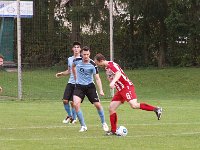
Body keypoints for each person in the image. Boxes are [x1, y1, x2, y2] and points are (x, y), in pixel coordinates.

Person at [94, 53, 163, 136]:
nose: (98, 66)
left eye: (98, 64)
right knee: (111, 108)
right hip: (120, 90)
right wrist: (111, 80)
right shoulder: (107, 67)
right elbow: (111, 76)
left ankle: (156, 109)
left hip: (127, 87)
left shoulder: (111, 65)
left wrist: (113, 82)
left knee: (134, 105)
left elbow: (118, 73)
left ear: (101, 60)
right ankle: (113, 130)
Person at [72, 46, 109, 132]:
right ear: (81, 54)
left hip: (90, 86)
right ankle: (83, 126)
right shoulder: (76, 61)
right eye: (84, 54)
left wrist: (101, 90)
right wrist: (75, 76)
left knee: (98, 105)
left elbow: (97, 78)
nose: (86, 56)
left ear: (89, 54)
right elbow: (73, 67)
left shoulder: (93, 64)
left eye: (87, 54)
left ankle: (104, 123)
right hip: (79, 86)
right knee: (76, 105)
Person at [56, 41, 82, 124]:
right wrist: (61, 74)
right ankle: (70, 115)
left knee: (73, 102)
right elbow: (69, 71)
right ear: (72, 49)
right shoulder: (70, 59)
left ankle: (74, 118)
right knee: (65, 101)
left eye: (78, 47)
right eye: (75, 47)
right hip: (70, 82)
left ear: (80, 49)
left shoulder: (82, 59)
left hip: (78, 83)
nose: (76, 49)